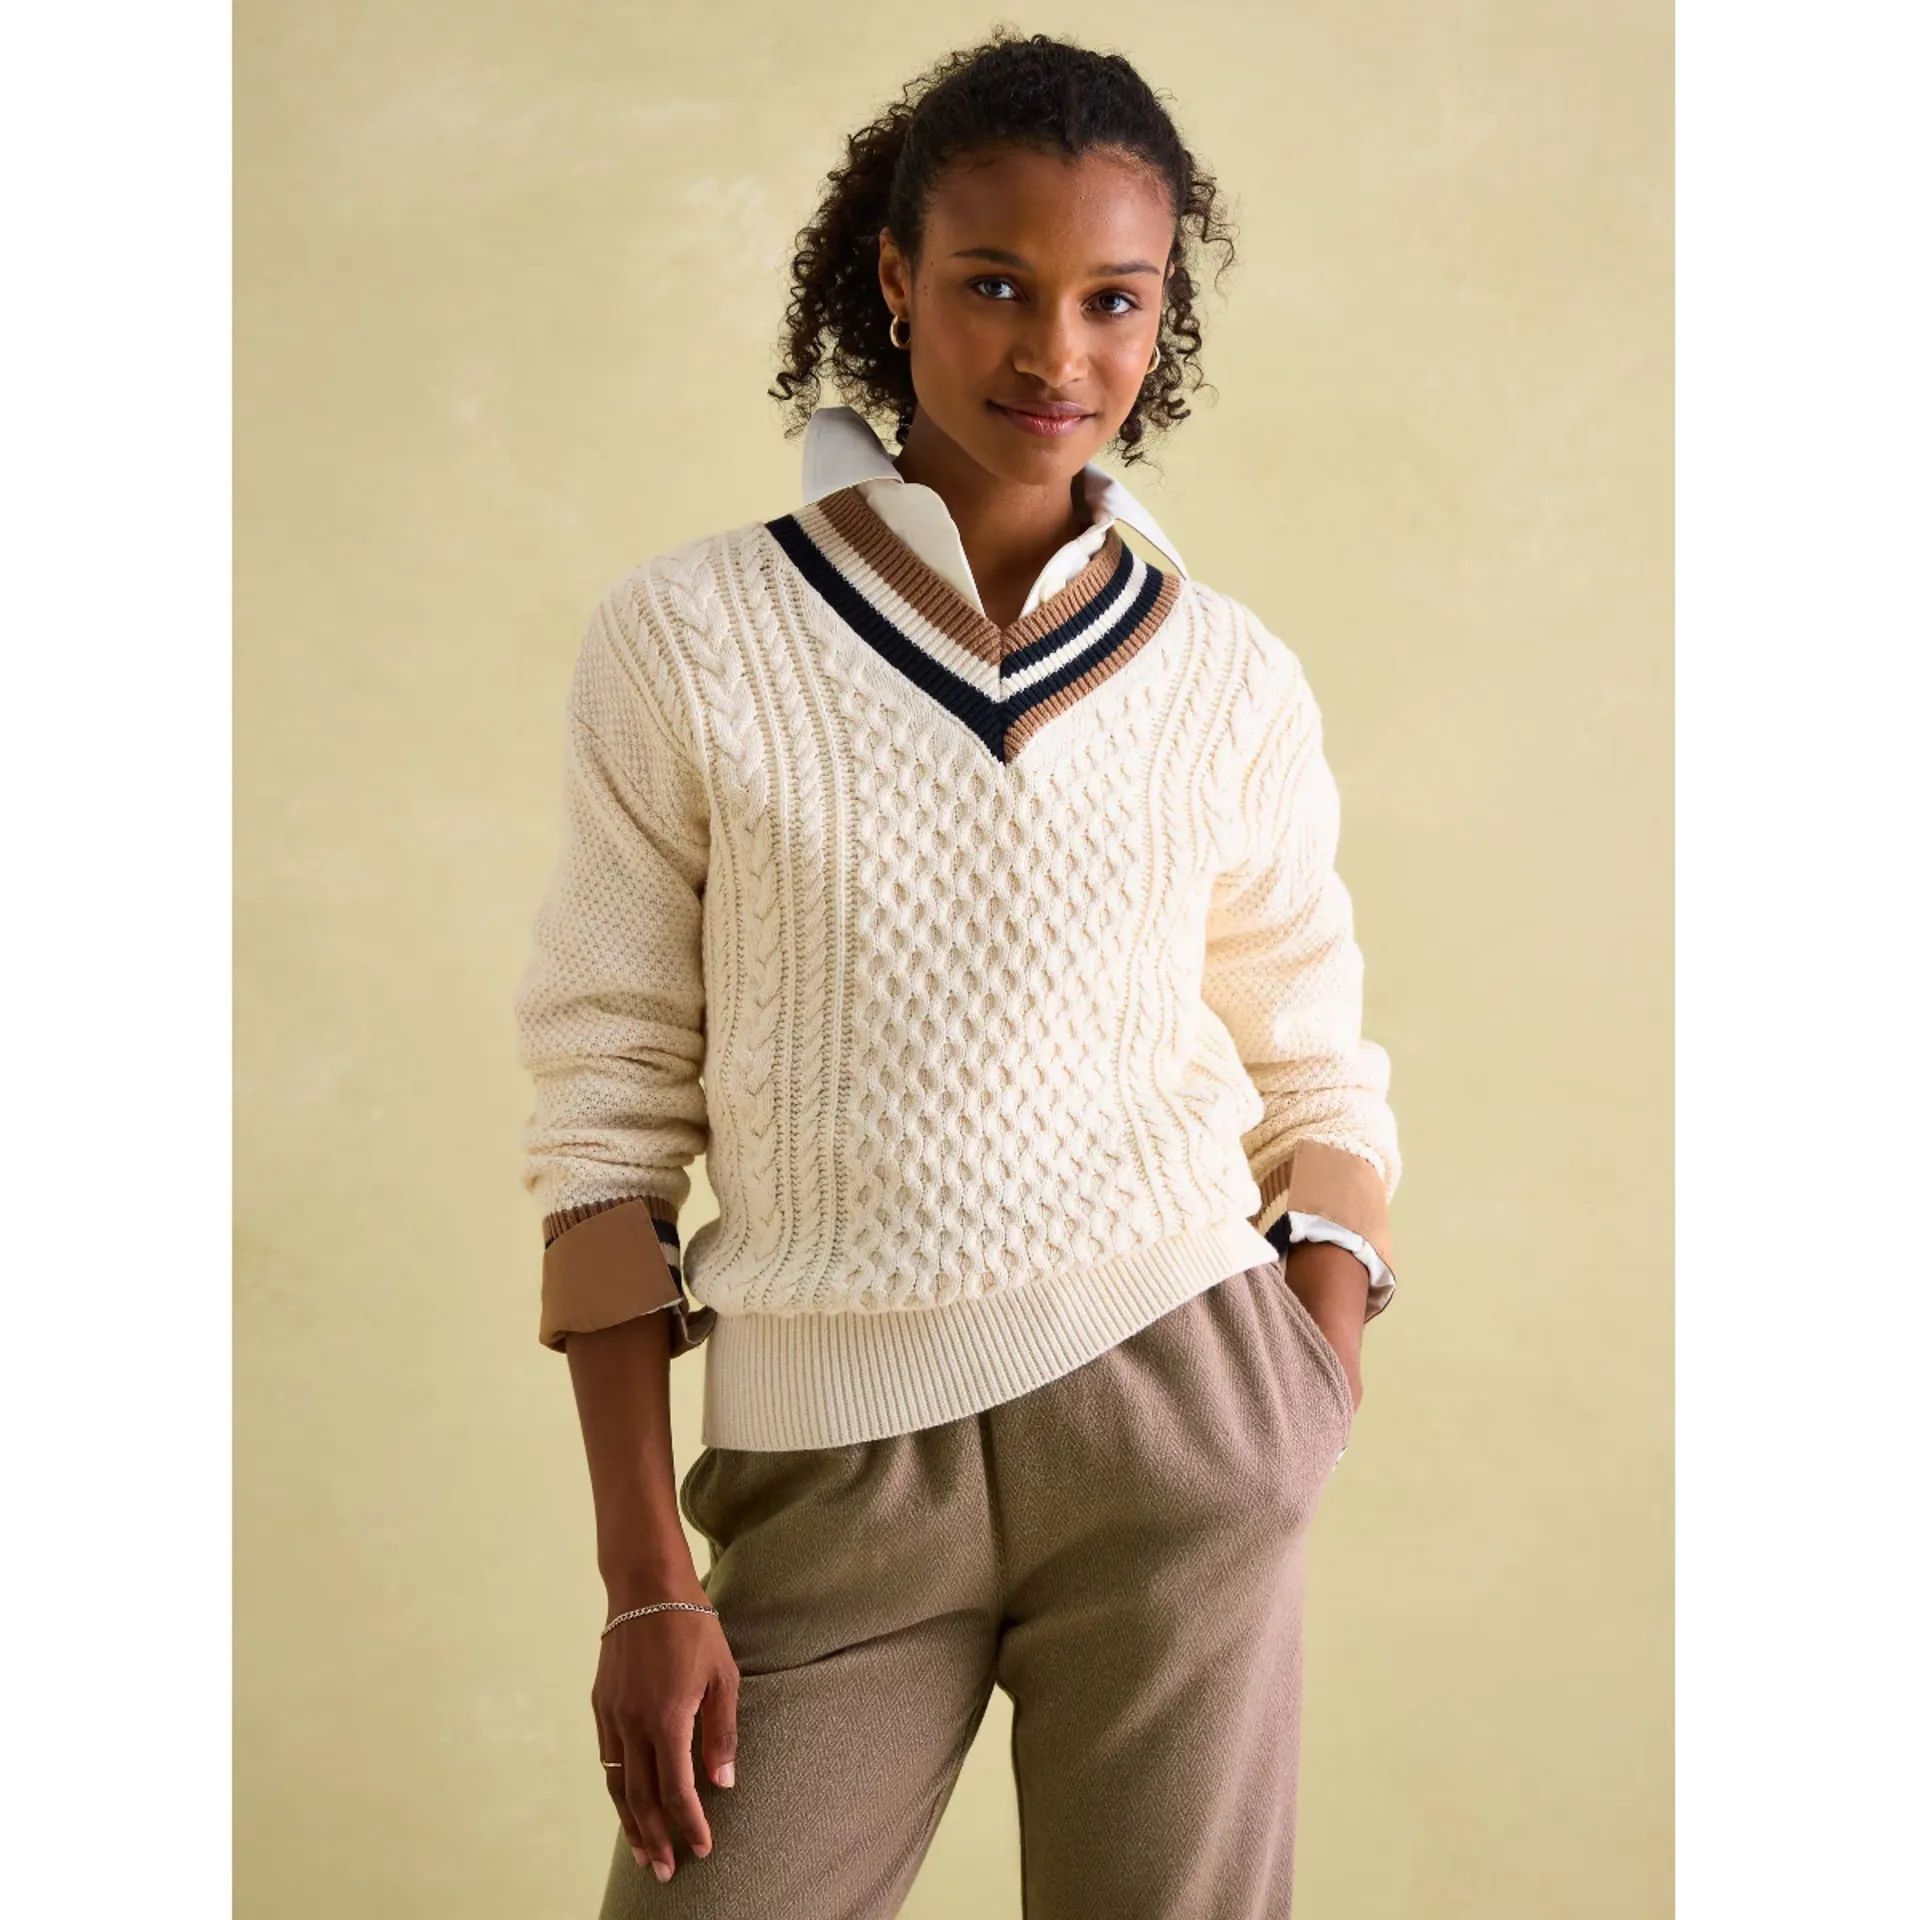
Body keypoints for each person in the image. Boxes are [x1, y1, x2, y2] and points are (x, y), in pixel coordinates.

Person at [513, 28, 1402, 1918]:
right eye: (996, 284)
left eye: (1113, 300)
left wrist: (1300, 1398)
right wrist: (643, 1579)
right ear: (895, 278)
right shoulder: (688, 636)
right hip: (828, 1470)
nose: (1055, 352)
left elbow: (1318, 1070)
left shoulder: (1227, 675)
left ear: (1163, 316)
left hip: (1184, 1417)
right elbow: (605, 1109)